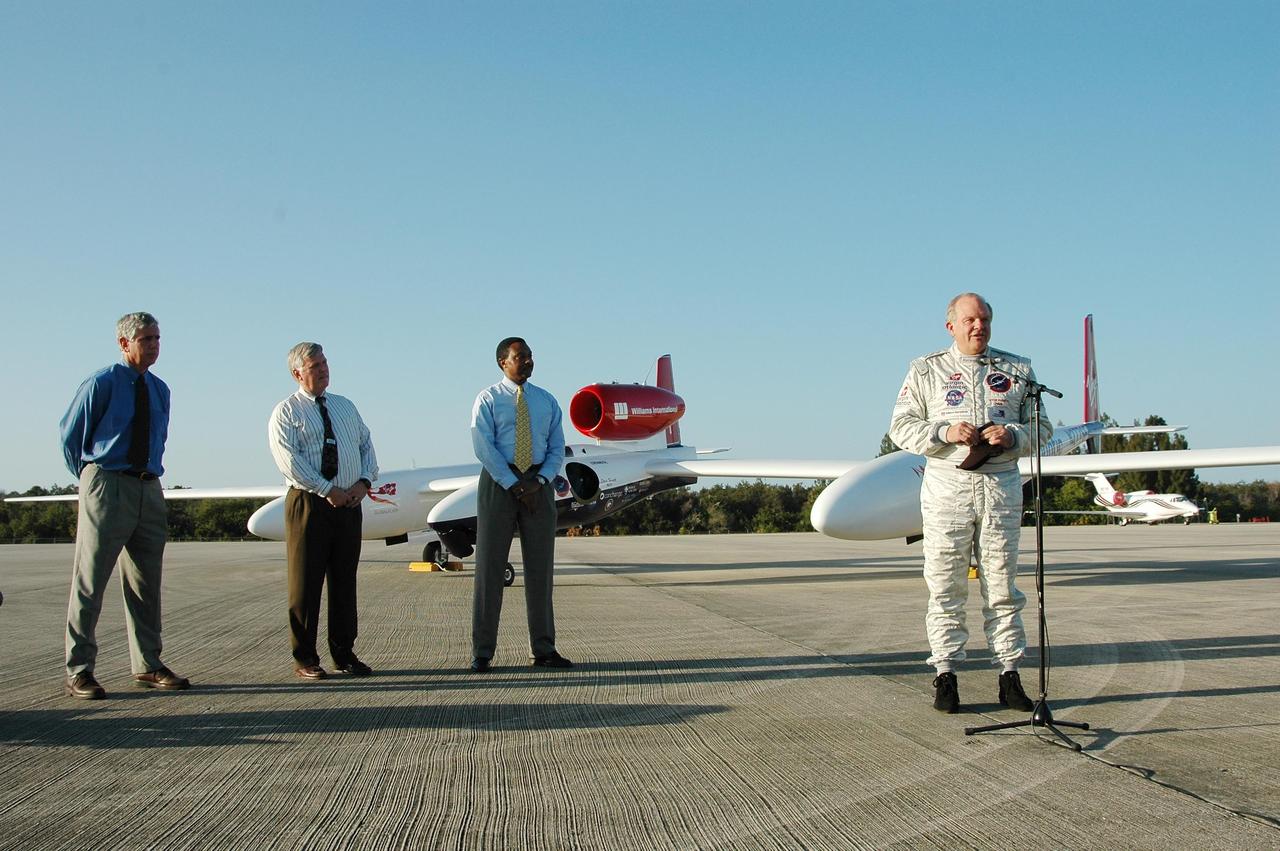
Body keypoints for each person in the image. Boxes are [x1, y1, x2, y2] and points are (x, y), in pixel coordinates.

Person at [888, 293, 1052, 714]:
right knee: (945, 586)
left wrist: (1013, 436)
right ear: (952, 327)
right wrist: (945, 433)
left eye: (985, 320)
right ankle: (945, 674)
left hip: (1000, 490)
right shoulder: (926, 370)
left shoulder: (1017, 370)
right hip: (948, 490)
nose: (978, 327)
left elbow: (1043, 427)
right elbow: (901, 428)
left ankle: (1009, 673)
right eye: (970, 320)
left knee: (1002, 586)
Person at [60, 312, 189, 699]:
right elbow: (71, 436)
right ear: (124, 343)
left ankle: (148, 663)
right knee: (91, 579)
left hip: (148, 487)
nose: (153, 345)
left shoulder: (161, 389)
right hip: (107, 483)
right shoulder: (101, 383)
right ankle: (79, 669)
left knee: (145, 582)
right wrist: (91, 479)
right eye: (146, 339)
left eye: (157, 338)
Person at [268, 342, 378, 680]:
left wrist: (363, 482)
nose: (323, 369)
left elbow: (365, 445)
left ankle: (344, 653)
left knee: (344, 582)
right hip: (310, 504)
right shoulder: (287, 412)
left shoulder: (345, 407)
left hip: (349, 504)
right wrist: (325, 488)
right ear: (297, 373)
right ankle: (305, 658)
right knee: (305, 583)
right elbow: (289, 460)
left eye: (325, 363)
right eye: (315, 365)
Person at [469, 337, 569, 672]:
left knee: (540, 570)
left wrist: (539, 482)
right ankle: (482, 652)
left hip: (538, 483)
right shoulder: (488, 399)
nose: (527, 361)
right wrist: (513, 483)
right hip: (500, 483)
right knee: (490, 568)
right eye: (519, 357)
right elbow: (483, 446)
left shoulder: (546, 401)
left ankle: (544, 648)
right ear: (502, 362)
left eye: (530, 356)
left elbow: (557, 446)